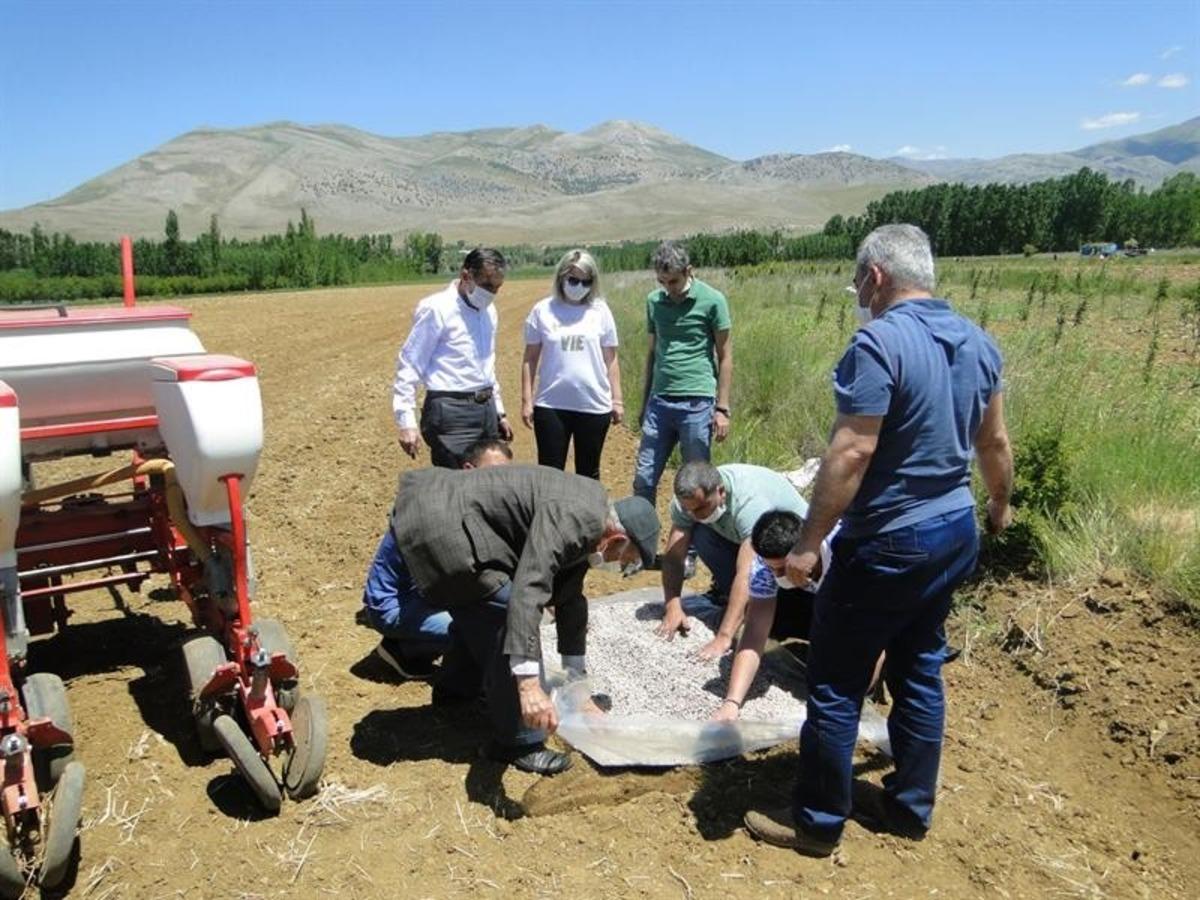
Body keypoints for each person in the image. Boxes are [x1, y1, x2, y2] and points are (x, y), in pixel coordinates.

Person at [744, 224, 1013, 856]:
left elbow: (852, 451)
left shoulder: (878, 343)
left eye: (858, 280)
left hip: (891, 538)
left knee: (835, 683)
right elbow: (994, 442)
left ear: (875, 276)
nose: (859, 293)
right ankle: (910, 808)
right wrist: (1000, 503)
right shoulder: (978, 341)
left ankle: (816, 823)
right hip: (955, 530)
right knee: (919, 668)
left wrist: (808, 543)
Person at [388, 464, 660, 775]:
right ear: (616, 539)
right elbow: (529, 588)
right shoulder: (577, 520)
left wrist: (577, 686)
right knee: (503, 613)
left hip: (451, 516)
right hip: (440, 527)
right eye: (624, 560)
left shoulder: (593, 516)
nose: (617, 566)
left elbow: (569, 599)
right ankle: (519, 742)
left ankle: (456, 693)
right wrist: (529, 687)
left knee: (480, 608)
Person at [360, 438, 514, 680]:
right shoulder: (443, 508)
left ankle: (411, 645)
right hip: (395, 604)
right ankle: (404, 651)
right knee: (481, 628)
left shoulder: (463, 497)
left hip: (426, 594)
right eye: (494, 474)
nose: (501, 483)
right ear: (468, 470)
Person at [656, 462, 809, 661]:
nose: (695, 514)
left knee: (780, 610)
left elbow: (747, 573)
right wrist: (673, 606)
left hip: (795, 555)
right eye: (689, 510)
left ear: (721, 492)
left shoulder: (749, 503)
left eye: (701, 507)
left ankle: (765, 612)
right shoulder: (688, 501)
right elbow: (674, 556)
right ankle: (736, 603)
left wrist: (724, 637)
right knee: (699, 531)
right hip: (743, 540)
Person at [392, 247, 514, 468]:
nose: (492, 293)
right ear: (466, 276)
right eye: (487, 286)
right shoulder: (437, 309)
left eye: (497, 287)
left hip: (486, 411)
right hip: (450, 415)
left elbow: (486, 365)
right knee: (455, 483)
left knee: (490, 482)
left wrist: (499, 412)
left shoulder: (489, 311)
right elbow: (410, 364)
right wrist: (406, 421)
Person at [632, 242, 732, 505]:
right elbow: (652, 354)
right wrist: (644, 404)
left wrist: (722, 409)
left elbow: (725, 356)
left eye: (673, 281)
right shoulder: (654, 302)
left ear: (689, 271)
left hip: (697, 404)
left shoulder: (713, 301)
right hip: (660, 403)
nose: (668, 288)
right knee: (644, 478)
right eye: (662, 282)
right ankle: (642, 530)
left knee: (697, 483)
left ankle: (696, 531)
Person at [709, 510, 832, 722]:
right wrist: (732, 702)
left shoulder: (842, 554)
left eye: (783, 568)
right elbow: (755, 632)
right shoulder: (763, 566)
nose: (777, 575)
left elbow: (868, 630)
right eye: (772, 569)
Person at [520, 249, 624, 480]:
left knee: (588, 475)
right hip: (551, 405)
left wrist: (617, 399)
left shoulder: (600, 311)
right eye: (573, 280)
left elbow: (611, 358)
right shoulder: (542, 310)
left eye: (586, 282)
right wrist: (527, 401)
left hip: (593, 404)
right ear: (561, 277)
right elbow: (530, 358)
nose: (579, 286)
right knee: (549, 474)